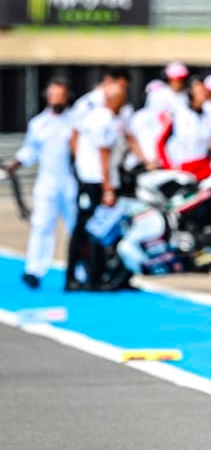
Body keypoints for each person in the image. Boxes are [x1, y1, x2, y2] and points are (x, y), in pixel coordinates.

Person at [5, 80, 77, 289]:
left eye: (60, 95)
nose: (57, 99)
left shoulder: (75, 121)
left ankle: (81, 269)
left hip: (70, 182)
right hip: (47, 182)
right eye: (53, 95)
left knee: (76, 226)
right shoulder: (38, 124)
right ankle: (34, 269)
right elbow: (30, 150)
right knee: (42, 225)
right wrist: (15, 163)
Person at [67, 79, 132, 291]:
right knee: (97, 229)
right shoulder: (104, 120)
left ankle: (89, 274)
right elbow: (103, 155)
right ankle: (93, 276)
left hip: (90, 178)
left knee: (88, 228)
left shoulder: (97, 117)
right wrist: (107, 188)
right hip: (97, 181)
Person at [156, 78, 211, 181]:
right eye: (200, 91)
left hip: (204, 167)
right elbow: (161, 142)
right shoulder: (177, 113)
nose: (203, 93)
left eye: (205, 90)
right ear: (191, 92)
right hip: (182, 168)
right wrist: (169, 167)